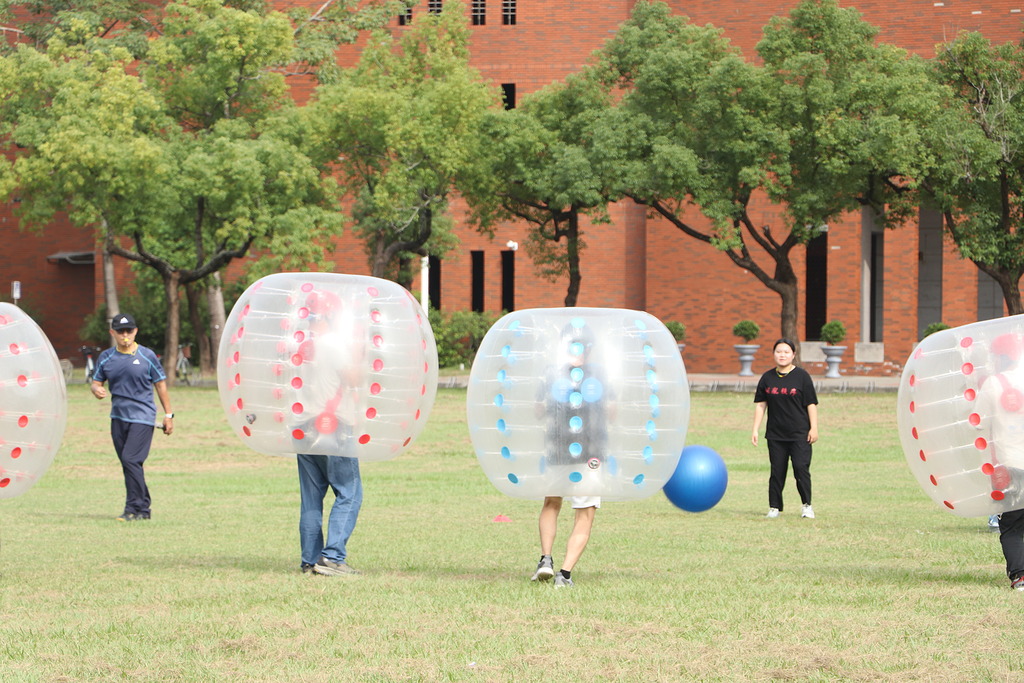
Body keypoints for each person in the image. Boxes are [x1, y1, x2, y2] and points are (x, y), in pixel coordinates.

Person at [530, 322, 606, 588]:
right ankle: (564, 574)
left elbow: (538, 411)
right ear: (590, 348)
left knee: (551, 502)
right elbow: (612, 412)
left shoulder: (551, 373)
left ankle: (545, 560)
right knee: (584, 513)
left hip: (558, 447)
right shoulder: (599, 374)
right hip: (591, 453)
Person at [293, 293, 363, 577]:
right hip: (333, 424)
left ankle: (310, 560)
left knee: (311, 497)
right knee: (349, 492)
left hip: (303, 424)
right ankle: (332, 557)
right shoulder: (333, 343)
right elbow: (354, 378)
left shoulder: (300, 345)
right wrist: (358, 350)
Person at [90, 313, 174, 521]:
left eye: (129, 331)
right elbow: (96, 382)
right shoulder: (106, 357)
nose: (125, 335)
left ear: (135, 331)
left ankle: (133, 508)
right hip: (118, 417)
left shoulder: (147, 356)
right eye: (120, 331)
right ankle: (142, 509)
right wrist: (96, 389)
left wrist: (168, 415)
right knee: (129, 464)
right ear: (113, 333)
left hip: (142, 417)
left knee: (131, 459)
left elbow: (160, 385)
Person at [974, 333, 1024, 589]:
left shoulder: (993, 384)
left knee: (1012, 525)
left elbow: (978, 424)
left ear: (1001, 357)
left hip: (1010, 464)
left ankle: (1020, 576)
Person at [751, 338, 819, 519]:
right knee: (777, 471)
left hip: (800, 434)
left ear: (793, 355)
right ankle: (774, 507)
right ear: (774, 354)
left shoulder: (802, 377)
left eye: (786, 352)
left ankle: (807, 505)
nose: (782, 355)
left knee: (801, 469)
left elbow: (811, 404)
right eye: (779, 352)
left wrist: (813, 428)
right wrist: (755, 429)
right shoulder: (767, 378)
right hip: (776, 435)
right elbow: (761, 405)